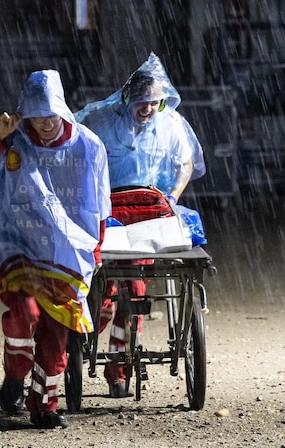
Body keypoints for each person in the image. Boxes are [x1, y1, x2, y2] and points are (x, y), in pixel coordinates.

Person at [0, 70, 111, 429]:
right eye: (35, 114)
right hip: (16, 246)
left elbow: (99, 204)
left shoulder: (88, 146)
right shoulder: (9, 137)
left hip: (64, 254)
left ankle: (44, 405)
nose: (42, 123)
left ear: (61, 110)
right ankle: (16, 371)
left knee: (57, 332)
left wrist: (96, 248)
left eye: (49, 113)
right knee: (24, 313)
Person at [75, 52, 206, 398]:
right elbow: (79, 152)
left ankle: (118, 367)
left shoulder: (171, 126)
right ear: (129, 98)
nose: (148, 109)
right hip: (111, 212)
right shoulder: (102, 122)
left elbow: (186, 163)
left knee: (135, 292)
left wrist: (173, 198)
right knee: (103, 296)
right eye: (143, 102)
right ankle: (85, 338)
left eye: (155, 103)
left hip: (149, 213)